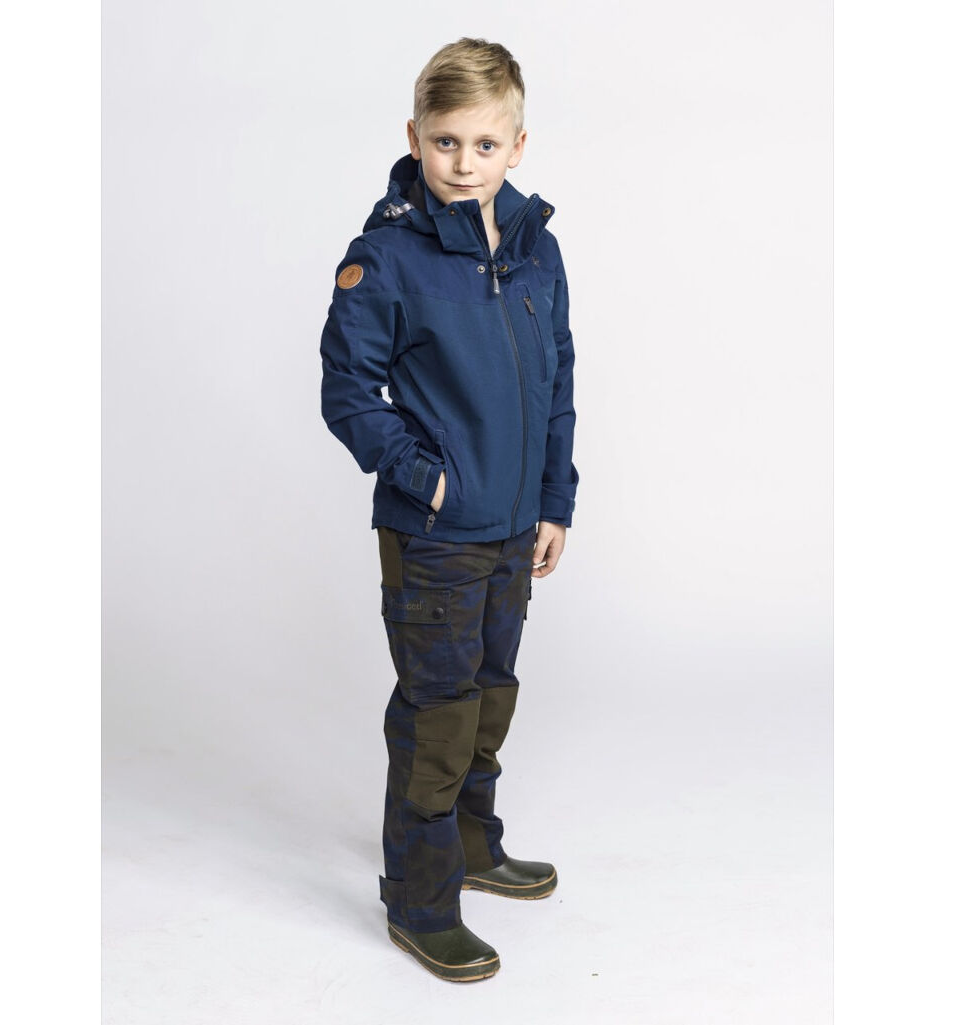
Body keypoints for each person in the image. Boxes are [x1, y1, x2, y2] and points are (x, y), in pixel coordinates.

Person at [319, 37, 579, 982]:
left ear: (517, 145)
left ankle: (473, 845)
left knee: (490, 694)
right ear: (413, 138)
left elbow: (557, 380)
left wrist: (553, 498)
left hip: (514, 529)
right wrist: (428, 479)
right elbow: (347, 391)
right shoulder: (387, 256)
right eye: (444, 143)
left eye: (484, 144)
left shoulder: (538, 247)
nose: (463, 164)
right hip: (433, 534)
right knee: (438, 716)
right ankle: (419, 900)